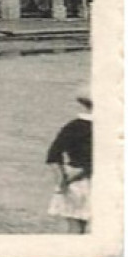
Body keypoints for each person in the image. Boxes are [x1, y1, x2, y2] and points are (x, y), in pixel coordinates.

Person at [46, 81, 92, 233]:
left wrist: (61, 179)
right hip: (95, 180)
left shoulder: (73, 126)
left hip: (75, 181)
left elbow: (53, 154)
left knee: (74, 226)